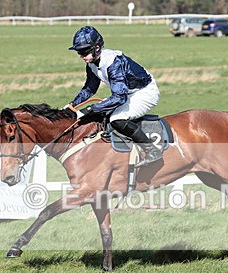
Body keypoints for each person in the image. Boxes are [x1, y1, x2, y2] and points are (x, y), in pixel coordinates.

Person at [64, 26, 163, 167]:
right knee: (98, 115)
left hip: (145, 92)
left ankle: (152, 151)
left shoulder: (113, 62)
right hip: (126, 93)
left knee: (116, 118)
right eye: (79, 52)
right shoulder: (91, 63)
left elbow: (120, 97)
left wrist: (91, 108)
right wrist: (72, 105)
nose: (81, 55)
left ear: (97, 48)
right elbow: (90, 88)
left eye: (84, 51)